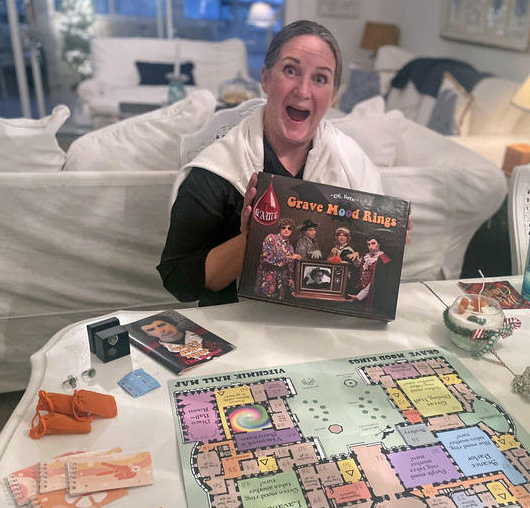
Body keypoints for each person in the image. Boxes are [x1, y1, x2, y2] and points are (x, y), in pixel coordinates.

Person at [157, 20, 383, 306]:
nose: (303, 90)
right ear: (265, 79)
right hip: (237, 326)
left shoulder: (354, 165)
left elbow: (370, 271)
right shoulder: (217, 171)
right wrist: (252, 239)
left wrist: (390, 238)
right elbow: (179, 281)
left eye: (320, 78)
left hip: (323, 321)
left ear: (332, 96)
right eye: (291, 70)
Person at [254, 217, 301, 299]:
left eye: (289, 228)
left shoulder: (290, 247)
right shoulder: (271, 238)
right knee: (264, 301)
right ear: (280, 228)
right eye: (284, 227)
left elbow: (290, 268)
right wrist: (290, 257)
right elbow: (267, 258)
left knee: (277, 303)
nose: (286, 230)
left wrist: (291, 282)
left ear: (292, 230)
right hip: (268, 277)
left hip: (281, 282)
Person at [349, 235, 393, 314]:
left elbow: (375, 281)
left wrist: (360, 295)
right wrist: (356, 255)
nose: (370, 247)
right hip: (360, 290)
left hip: (373, 293)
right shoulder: (366, 257)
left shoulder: (382, 260)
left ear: (379, 244)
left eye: (373, 243)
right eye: (368, 244)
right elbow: (358, 268)